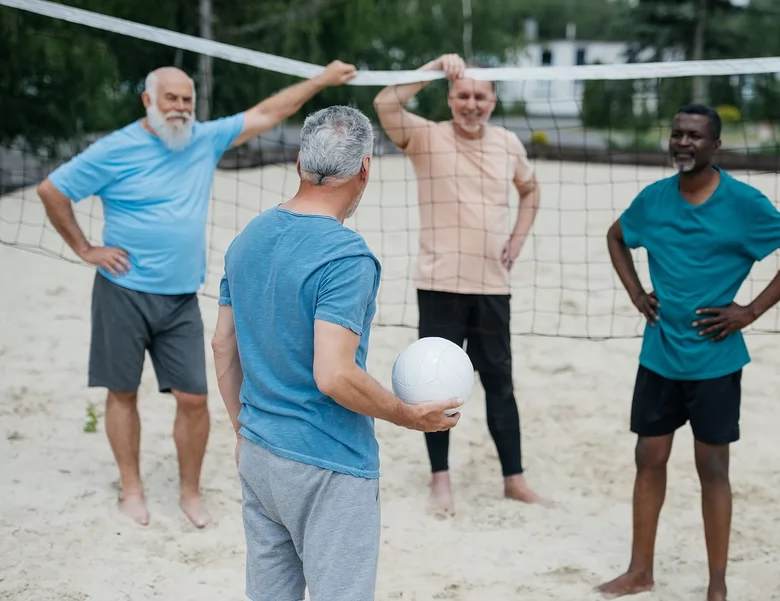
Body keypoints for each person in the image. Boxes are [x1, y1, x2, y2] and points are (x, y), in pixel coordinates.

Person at [35, 60, 357, 528]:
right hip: (122, 290)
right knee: (122, 393)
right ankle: (132, 489)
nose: (182, 107)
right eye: (171, 98)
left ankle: (190, 493)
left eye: (187, 99)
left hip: (182, 296)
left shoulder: (202, 139)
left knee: (193, 398)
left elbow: (267, 113)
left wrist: (323, 80)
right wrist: (86, 248)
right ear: (148, 100)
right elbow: (51, 190)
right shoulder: (116, 148)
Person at [211, 104, 462, 601]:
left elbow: (222, 345)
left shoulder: (248, 238)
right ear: (365, 168)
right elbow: (333, 375)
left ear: (300, 164)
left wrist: (244, 430)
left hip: (259, 451)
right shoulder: (347, 256)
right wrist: (408, 416)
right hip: (327, 460)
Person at [598, 104, 780, 601]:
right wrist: (636, 293)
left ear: (715, 146)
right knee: (648, 458)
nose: (683, 142)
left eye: (695, 136)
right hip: (659, 355)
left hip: (715, 361)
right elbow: (616, 237)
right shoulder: (653, 200)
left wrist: (751, 310)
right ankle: (640, 571)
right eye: (677, 134)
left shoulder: (744, 203)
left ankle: (717, 585)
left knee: (712, 469)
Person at [372, 53, 545, 515]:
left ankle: (515, 479)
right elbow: (385, 104)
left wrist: (518, 239)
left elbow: (531, 192)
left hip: (492, 287)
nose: (472, 104)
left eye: (480, 96)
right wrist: (431, 69)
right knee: (434, 389)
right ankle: (440, 481)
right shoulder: (426, 137)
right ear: (450, 99)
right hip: (439, 285)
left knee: (499, 385)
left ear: (492, 100)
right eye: (463, 95)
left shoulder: (508, 143)